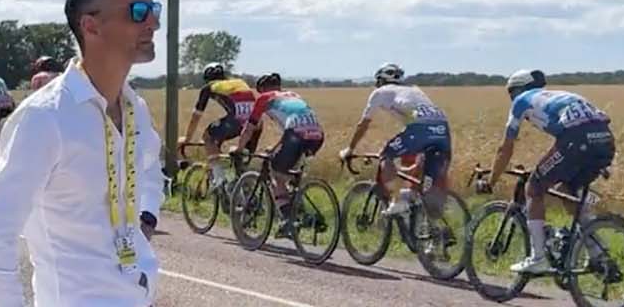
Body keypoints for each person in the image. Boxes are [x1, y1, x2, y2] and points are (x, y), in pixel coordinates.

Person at [0, 0, 165, 305]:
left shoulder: (136, 109)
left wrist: (145, 221)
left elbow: (150, 172)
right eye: (138, 11)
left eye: (154, 9)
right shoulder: (45, 118)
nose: (153, 22)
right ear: (91, 26)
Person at [481, 69, 616, 276]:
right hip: (605, 140)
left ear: (516, 90)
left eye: (510, 94)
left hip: (576, 140)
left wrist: (491, 181)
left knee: (534, 188)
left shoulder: (521, 101)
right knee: (567, 189)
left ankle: (538, 258)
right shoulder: (559, 95)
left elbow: (505, 148)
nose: (511, 99)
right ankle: (598, 253)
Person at [339, 63, 453, 219]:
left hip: (420, 130)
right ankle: (437, 230)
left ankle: (397, 200)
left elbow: (363, 124)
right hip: (442, 131)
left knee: (386, 156)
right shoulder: (414, 90)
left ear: (380, 80)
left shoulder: (380, 92)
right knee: (426, 185)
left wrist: (350, 149)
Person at [238, 72, 324, 229]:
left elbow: (248, 129)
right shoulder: (293, 95)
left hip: (295, 135)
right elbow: (291, 128)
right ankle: (303, 212)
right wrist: (276, 147)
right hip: (317, 135)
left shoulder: (264, 98)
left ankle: (286, 221)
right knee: (290, 174)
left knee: (276, 173)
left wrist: (239, 149)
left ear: (262, 89)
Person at [179, 63, 255, 179]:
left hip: (237, 121)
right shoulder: (239, 82)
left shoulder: (209, 87)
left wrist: (187, 138)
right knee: (241, 161)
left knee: (208, 136)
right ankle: (243, 185)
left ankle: (219, 179)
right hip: (255, 124)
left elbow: (196, 117)